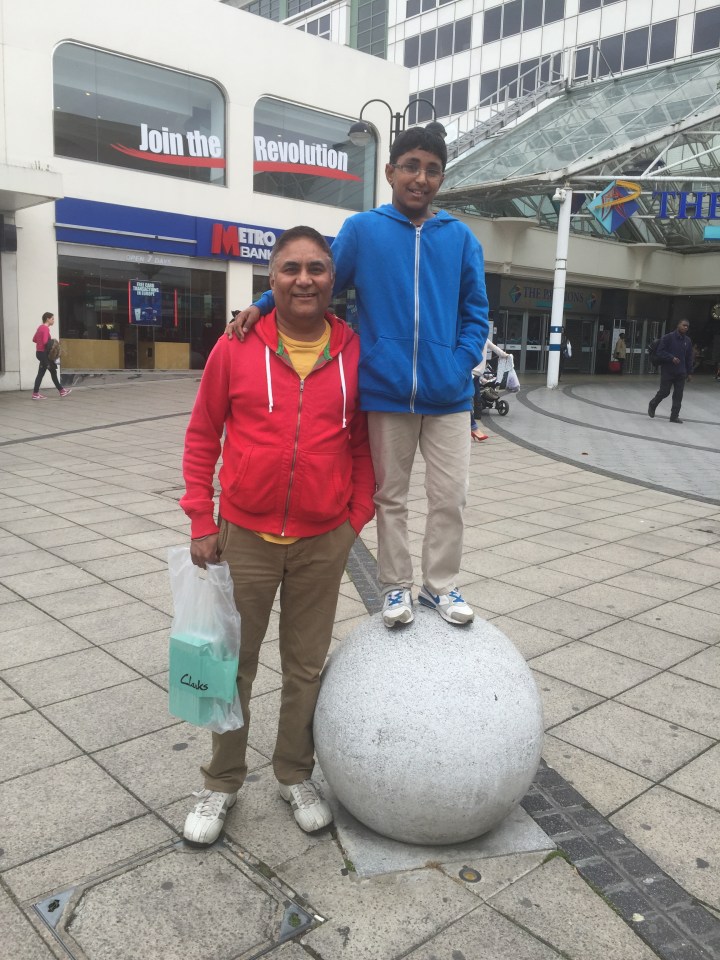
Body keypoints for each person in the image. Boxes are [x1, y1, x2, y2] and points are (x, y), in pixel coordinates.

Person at [228, 127, 489, 629]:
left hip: (450, 394)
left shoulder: (459, 238)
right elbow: (319, 283)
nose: (421, 178)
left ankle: (439, 585)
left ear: (441, 178)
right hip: (385, 391)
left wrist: (458, 364)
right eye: (411, 166)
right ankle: (395, 587)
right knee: (390, 496)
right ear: (390, 172)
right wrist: (263, 305)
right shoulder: (363, 230)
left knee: (450, 496)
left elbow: (476, 312)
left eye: (432, 169)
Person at [179, 226, 375, 846]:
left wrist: (355, 519)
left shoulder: (353, 351)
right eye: (291, 268)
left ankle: (294, 773)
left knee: (305, 668)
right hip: (246, 536)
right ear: (272, 280)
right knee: (229, 667)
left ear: (332, 279)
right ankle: (221, 783)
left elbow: (366, 444)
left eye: (317, 268)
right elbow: (202, 435)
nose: (304, 280)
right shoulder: (235, 347)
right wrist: (201, 519)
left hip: (324, 539)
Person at [648, 319, 693, 423]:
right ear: (678, 325)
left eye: (687, 326)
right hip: (668, 370)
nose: (685, 327)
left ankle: (674, 416)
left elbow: (689, 357)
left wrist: (689, 372)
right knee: (664, 392)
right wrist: (671, 358)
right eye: (684, 325)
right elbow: (660, 352)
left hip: (681, 372)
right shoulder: (668, 337)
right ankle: (653, 404)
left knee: (678, 395)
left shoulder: (688, 341)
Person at [470, 340, 509, 441]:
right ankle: (474, 425)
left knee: (474, 395)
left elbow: (496, 349)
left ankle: (475, 423)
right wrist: (505, 355)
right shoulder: (482, 339)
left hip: (475, 373)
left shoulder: (481, 339)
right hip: (472, 373)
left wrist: (505, 355)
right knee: (472, 396)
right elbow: (496, 349)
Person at [32, 312, 71, 400]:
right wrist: (53, 342)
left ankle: (61, 391)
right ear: (47, 319)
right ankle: (36, 394)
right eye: (52, 319)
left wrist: (41, 344)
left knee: (49, 372)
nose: (53, 320)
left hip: (40, 353)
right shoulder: (45, 329)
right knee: (44, 373)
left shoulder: (40, 328)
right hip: (44, 354)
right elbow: (46, 342)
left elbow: (34, 339)